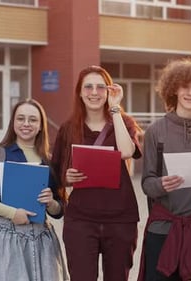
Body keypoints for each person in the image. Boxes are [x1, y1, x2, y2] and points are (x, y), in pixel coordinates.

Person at [51, 65, 142, 281]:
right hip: (81, 219)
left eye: (101, 87)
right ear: (80, 92)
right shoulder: (68, 129)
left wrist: (115, 110)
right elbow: (56, 172)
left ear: (109, 91)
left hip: (120, 218)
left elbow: (127, 151)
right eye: (88, 87)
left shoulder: (124, 123)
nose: (94, 92)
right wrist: (67, 177)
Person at [138, 57, 191, 281]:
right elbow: (147, 182)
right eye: (185, 86)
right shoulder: (156, 131)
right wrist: (161, 184)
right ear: (174, 89)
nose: (190, 93)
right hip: (163, 230)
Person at [0, 99, 68, 281]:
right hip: (6, 238)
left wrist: (51, 203)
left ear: (40, 126)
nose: (26, 124)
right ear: (13, 123)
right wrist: (12, 213)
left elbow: (60, 209)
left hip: (42, 240)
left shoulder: (50, 161)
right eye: (20, 118)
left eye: (32, 120)